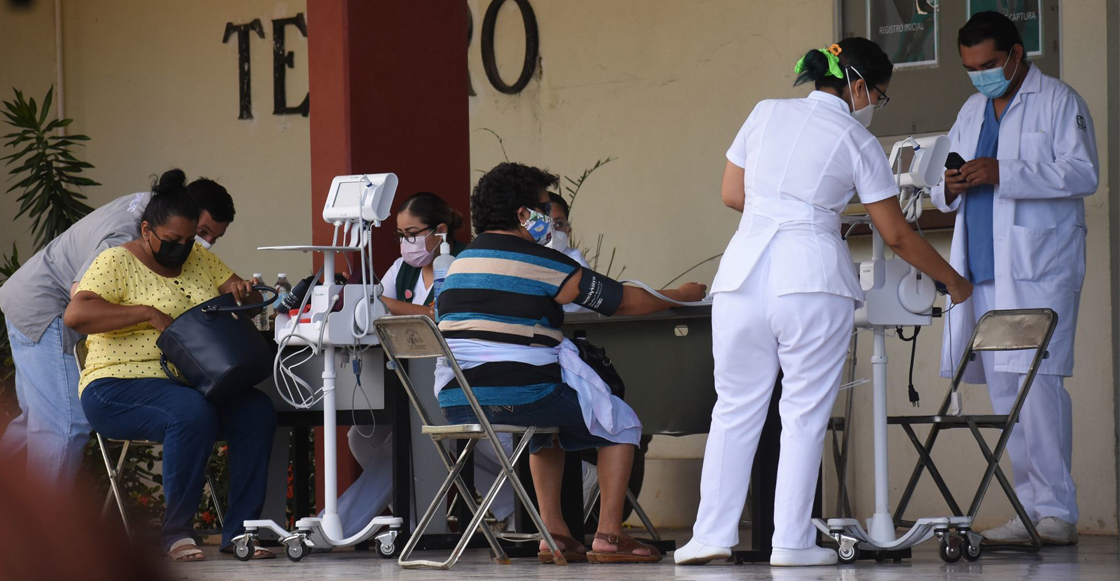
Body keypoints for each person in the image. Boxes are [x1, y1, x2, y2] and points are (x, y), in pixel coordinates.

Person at [675, 39, 972, 567]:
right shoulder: (857, 140)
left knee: (735, 410)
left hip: (742, 280)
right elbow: (897, 234)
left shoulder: (764, 113)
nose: (874, 105)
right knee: (803, 414)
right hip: (810, 280)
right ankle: (789, 543)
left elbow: (731, 192)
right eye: (878, 95)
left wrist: (785, 209)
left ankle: (708, 536)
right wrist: (953, 279)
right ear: (858, 85)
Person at [436, 162, 706, 564]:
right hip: (524, 393)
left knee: (550, 427)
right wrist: (679, 295)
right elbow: (621, 301)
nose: (551, 219)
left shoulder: (458, 265)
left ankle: (556, 535)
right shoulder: (540, 260)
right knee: (622, 423)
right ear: (524, 215)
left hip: (459, 400)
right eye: (545, 208)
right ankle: (610, 536)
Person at [932, 12, 1098, 546]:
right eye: (970, 68)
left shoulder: (1059, 101)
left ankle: (1056, 510)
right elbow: (939, 186)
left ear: (1016, 53)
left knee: (1037, 386)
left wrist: (1008, 171)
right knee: (1005, 390)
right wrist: (951, 185)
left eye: (988, 65)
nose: (980, 76)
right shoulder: (971, 108)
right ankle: (1029, 510)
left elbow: (1083, 172)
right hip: (981, 268)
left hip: (1035, 269)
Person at [63, 170, 274, 562]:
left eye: (188, 239)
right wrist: (144, 312)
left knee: (256, 410)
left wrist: (240, 290)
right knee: (190, 413)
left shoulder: (198, 257)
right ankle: (176, 533)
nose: (182, 247)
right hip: (116, 387)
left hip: (188, 384)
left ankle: (242, 532)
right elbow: (76, 315)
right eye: (172, 240)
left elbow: (233, 284)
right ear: (146, 230)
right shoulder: (116, 261)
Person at [0, 172, 236, 491]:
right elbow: (81, 298)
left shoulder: (155, 212)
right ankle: (36, 537)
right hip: (44, 309)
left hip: (26, 297)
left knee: (37, 423)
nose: (202, 243)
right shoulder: (126, 238)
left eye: (212, 238)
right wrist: (149, 315)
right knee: (64, 425)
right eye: (202, 231)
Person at [333, 192, 517, 537]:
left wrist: (374, 298)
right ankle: (422, 518)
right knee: (363, 435)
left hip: (467, 379)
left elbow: (438, 316)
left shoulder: (465, 263)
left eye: (412, 233)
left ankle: (343, 526)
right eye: (400, 235)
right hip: (412, 377)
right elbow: (372, 308)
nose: (406, 243)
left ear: (440, 231)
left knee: (410, 440)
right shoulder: (403, 269)